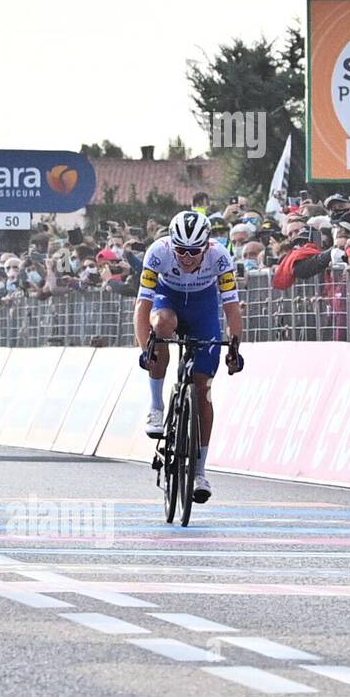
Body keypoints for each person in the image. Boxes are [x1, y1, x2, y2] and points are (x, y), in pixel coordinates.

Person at [135, 211, 244, 504]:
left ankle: (199, 471)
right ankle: (156, 406)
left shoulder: (220, 257)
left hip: (203, 310)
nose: (185, 257)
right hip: (167, 301)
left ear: (206, 247)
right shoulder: (158, 252)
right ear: (172, 245)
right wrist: (146, 346)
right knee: (160, 327)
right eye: (180, 250)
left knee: (203, 392)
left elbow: (232, 308)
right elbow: (142, 306)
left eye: (193, 251)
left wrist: (234, 347)